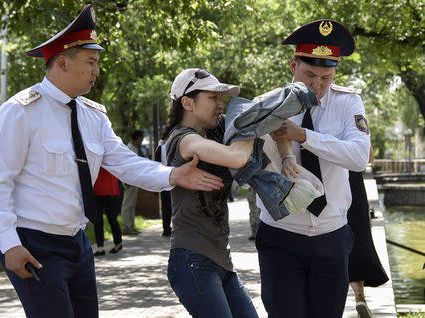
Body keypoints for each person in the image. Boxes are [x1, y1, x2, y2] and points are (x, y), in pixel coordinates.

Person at [0, 5, 223, 318]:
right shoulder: (19, 112)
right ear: (63, 63)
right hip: (33, 243)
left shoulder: (93, 115)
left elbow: (124, 162)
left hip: (77, 243)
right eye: (91, 62)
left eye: (97, 63)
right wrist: (8, 244)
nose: (97, 71)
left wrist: (173, 175)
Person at [256, 19, 371, 318]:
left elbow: (359, 157)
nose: (317, 85)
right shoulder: (268, 104)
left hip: (331, 235)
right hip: (280, 232)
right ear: (293, 65)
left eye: (326, 77)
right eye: (309, 75)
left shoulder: (349, 103)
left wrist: (304, 136)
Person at [163, 68, 259, 318]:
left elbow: (261, 116)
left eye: (222, 98)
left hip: (222, 262)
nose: (221, 104)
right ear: (188, 103)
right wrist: (246, 127)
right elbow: (237, 157)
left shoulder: (216, 131)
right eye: (213, 98)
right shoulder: (183, 140)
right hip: (192, 261)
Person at [348, 147, 388, 318]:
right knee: (358, 242)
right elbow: (369, 156)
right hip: (352, 184)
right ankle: (359, 297)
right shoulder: (353, 120)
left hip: (323, 182)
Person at [93, 167, 124, 256]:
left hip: (110, 188)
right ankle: (100, 247)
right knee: (97, 220)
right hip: (96, 188)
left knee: (112, 218)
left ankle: (118, 243)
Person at [121, 130, 144, 235]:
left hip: (134, 179)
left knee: (131, 205)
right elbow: (124, 165)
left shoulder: (134, 148)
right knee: (127, 204)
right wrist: (125, 180)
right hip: (129, 180)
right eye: (141, 138)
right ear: (138, 138)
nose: (142, 140)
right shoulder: (128, 148)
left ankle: (131, 226)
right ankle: (126, 227)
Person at [155, 139, 172, 237]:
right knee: (174, 205)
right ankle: (172, 228)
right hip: (173, 177)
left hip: (163, 178)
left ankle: (166, 228)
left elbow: (156, 164)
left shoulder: (160, 148)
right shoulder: (172, 145)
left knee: (165, 206)